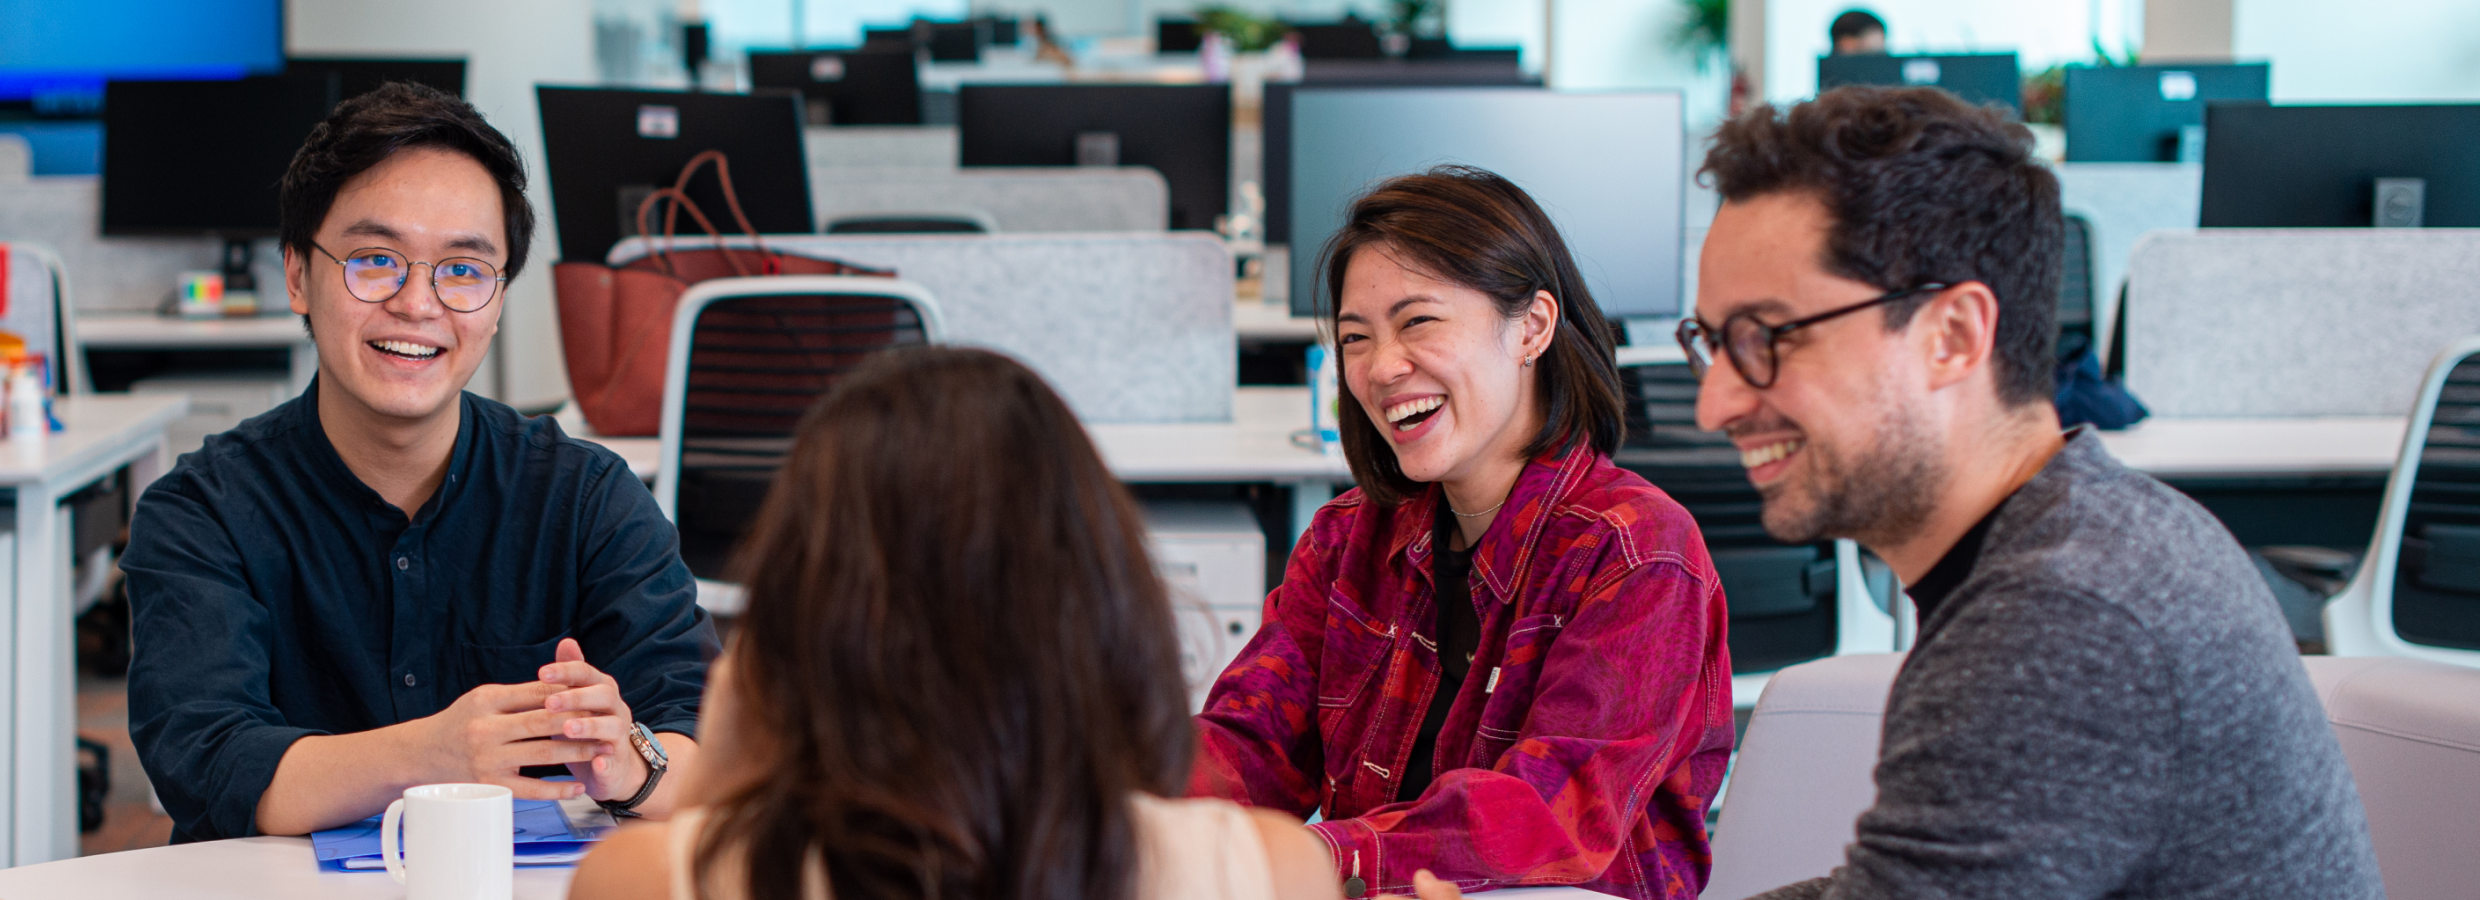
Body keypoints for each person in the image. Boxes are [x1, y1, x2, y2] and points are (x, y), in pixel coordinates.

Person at [1685, 85, 2384, 899]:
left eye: (1765, 338)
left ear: (1953, 337)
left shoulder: (2069, 612)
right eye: (1711, 343)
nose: (1713, 404)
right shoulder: (2069, 534)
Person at [124, 82, 716, 842]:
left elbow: (702, 742)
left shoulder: (586, 499)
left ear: (497, 303)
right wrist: (432, 754)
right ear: (298, 276)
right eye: (376, 260)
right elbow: (209, 764)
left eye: (464, 270)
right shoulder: (203, 511)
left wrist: (631, 766)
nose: (418, 303)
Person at [569, 347, 1382, 900]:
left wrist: (737, 749)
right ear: (1102, 602)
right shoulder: (1267, 873)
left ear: (802, 614)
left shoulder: (644, 880)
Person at [1189, 166, 1734, 900]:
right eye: (1355, 338)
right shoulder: (1346, 538)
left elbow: (1545, 814)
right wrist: (1121, 810)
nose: (1382, 366)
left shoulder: (1637, 552)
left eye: (1418, 322)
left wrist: (1306, 859)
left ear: (1533, 327)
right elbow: (1250, 743)